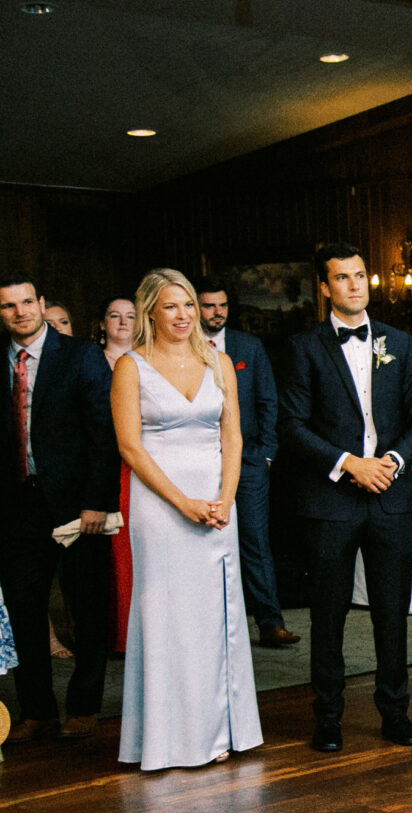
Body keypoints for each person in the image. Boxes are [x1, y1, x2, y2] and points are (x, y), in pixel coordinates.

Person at [280, 242, 412, 753]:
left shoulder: (400, 342)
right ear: (324, 287)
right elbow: (293, 426)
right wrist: (349, 464)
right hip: (330, 501)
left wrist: (389, 464)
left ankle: (396, 711)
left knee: (392, 612)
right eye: (342, 278)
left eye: (360, 275)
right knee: (329, 614)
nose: (354, 284)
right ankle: (328, 717)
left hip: (389, 495)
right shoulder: (304, 349)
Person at [112, 270, 263, 769]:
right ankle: (166, 738)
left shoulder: (218, 362)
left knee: (216, 618)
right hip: (161, 504)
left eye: (189, 307)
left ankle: (219, 730)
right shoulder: (131, 367)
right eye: (172, 306)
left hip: (218, 502)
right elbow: (131, 447)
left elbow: (234, 438)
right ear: (150, 311)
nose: (183, 316)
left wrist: (224, 497)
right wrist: (183, 502)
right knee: (167, 618)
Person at [0, 269, 119, 743]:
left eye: (27, 302)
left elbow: (104, 436)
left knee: (87, 607)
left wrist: (97, 503)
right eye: (9, 306)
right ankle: (38, 710)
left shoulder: (82, 357)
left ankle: (84, 705)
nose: (20, 312)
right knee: (25, 610)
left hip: (77, 509)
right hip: (15, 509)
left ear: (41, 301)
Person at [196, 277, 298, 648]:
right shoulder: (184, 348)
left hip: (250, 459)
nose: (216, 312)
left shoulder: (248, 347)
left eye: (222, 305)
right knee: (204, 539)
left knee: (255, 539)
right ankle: (213, 627)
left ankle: (270, 622)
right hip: (200, 460)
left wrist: (266, 454)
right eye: (208, 305)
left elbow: (269, 402)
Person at [98, 296, 138, 655]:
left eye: (130, 316)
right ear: (102, 323)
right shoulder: (89, 360)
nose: (123, 322)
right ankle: (113, 636)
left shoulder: (146, 360)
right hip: (102, 462)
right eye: (115, 316)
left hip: (137, 463)